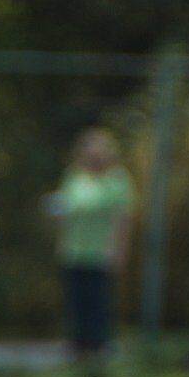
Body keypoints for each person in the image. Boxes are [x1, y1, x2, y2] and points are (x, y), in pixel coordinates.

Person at [48, 128, 134, 360]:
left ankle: (99, 345)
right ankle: (76, 344)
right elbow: (63, 209)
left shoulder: (118, 180)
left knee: (98, 301)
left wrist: (120, 251)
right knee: (75, 300)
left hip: (101, 252)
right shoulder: (74, 177)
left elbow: (123, 220)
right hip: (74, 250)